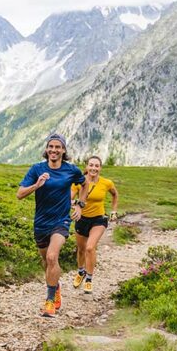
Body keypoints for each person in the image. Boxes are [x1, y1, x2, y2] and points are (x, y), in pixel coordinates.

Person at [17, 133, 89, 317]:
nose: (54, 150)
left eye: (58, 147)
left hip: (61, 221)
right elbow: (19, 194)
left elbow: (84, 185)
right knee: (46, 262)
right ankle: (55, 287)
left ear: (63, 150)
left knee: (51, 257)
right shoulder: (36, 169)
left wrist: (80, 206)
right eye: (51, 147)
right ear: (46, 149)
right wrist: (36, 185)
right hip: (41, 222)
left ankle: (49, 302)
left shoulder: (71, 170)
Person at [71, 155, 119, 294]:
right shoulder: (78, 182)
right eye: (91, 165)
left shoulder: (106, 183)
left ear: (100, 168)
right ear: (86, 167)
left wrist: (114, 211)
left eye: (96, 166)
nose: (93, 168)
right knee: (81, 249)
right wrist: (77, 204)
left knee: (90, 248)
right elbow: (69, 198)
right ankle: (81, 272)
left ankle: (89, 279)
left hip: (99, 219)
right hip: (82, 219)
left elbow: (115, 195)